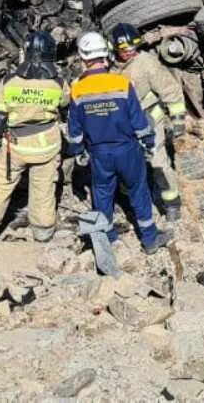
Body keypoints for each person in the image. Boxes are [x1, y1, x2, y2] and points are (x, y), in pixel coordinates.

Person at [65, 31, 172, 253]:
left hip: (99, 153)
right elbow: (138, 119)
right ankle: (150, 239)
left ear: (84, 59)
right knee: (138, 191)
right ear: (105, 55)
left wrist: (78, 151)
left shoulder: (77, 89)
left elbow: (74, 129)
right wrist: (148, 141)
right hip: (127, 149)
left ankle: (107, 239)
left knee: (102, 194)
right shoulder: (122, 83)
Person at [0, 31, 66, 244]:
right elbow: (67, 106)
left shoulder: (11, 82)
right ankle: (43, 232)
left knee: (2, 183)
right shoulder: (57, 82)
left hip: (16, 146)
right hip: (46, 147)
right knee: (44, 187)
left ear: (26, 53)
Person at [110, 23, 187, 221]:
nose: (129, 53)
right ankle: (131, 205)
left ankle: (172, 204)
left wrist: (178, 120)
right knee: (125, 166)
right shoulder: (108, 68)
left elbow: (170, 90)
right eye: (125, 49)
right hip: (123, 123)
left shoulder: (146, 63)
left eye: (133, 48)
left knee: (158, 162)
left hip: (149, 117)